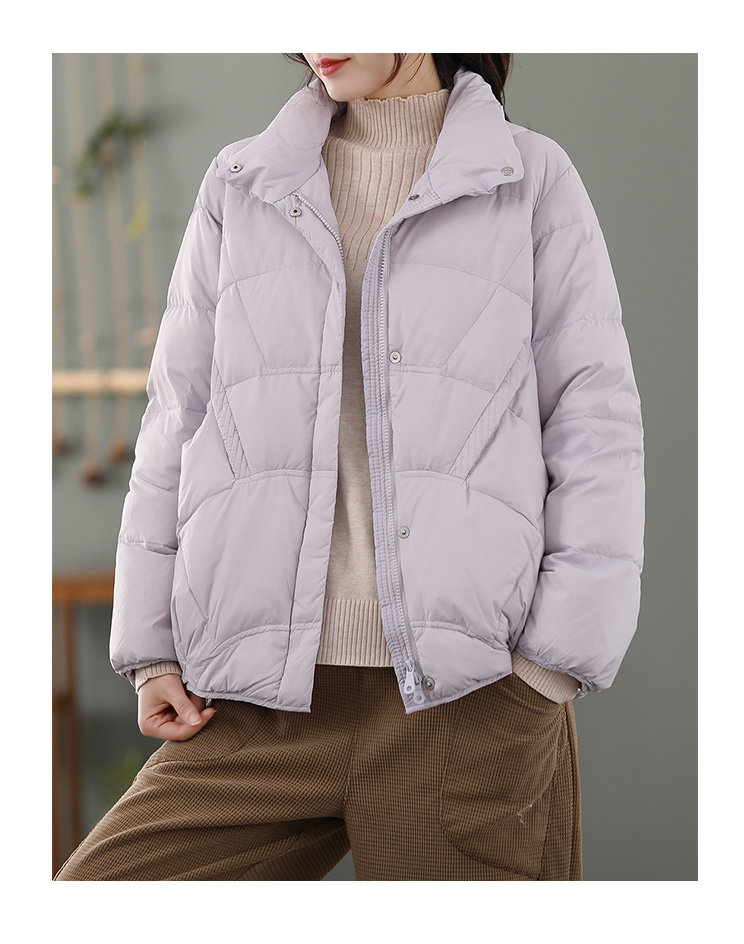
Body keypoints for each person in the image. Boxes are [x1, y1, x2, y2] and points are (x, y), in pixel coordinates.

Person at [54, 53, 645, 881]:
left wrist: (547, 670)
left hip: (468, 703)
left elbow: (594, 423)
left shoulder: (530, 178)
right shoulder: (242, 184)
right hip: (257, 697)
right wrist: (152, 651)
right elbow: (178, 418)